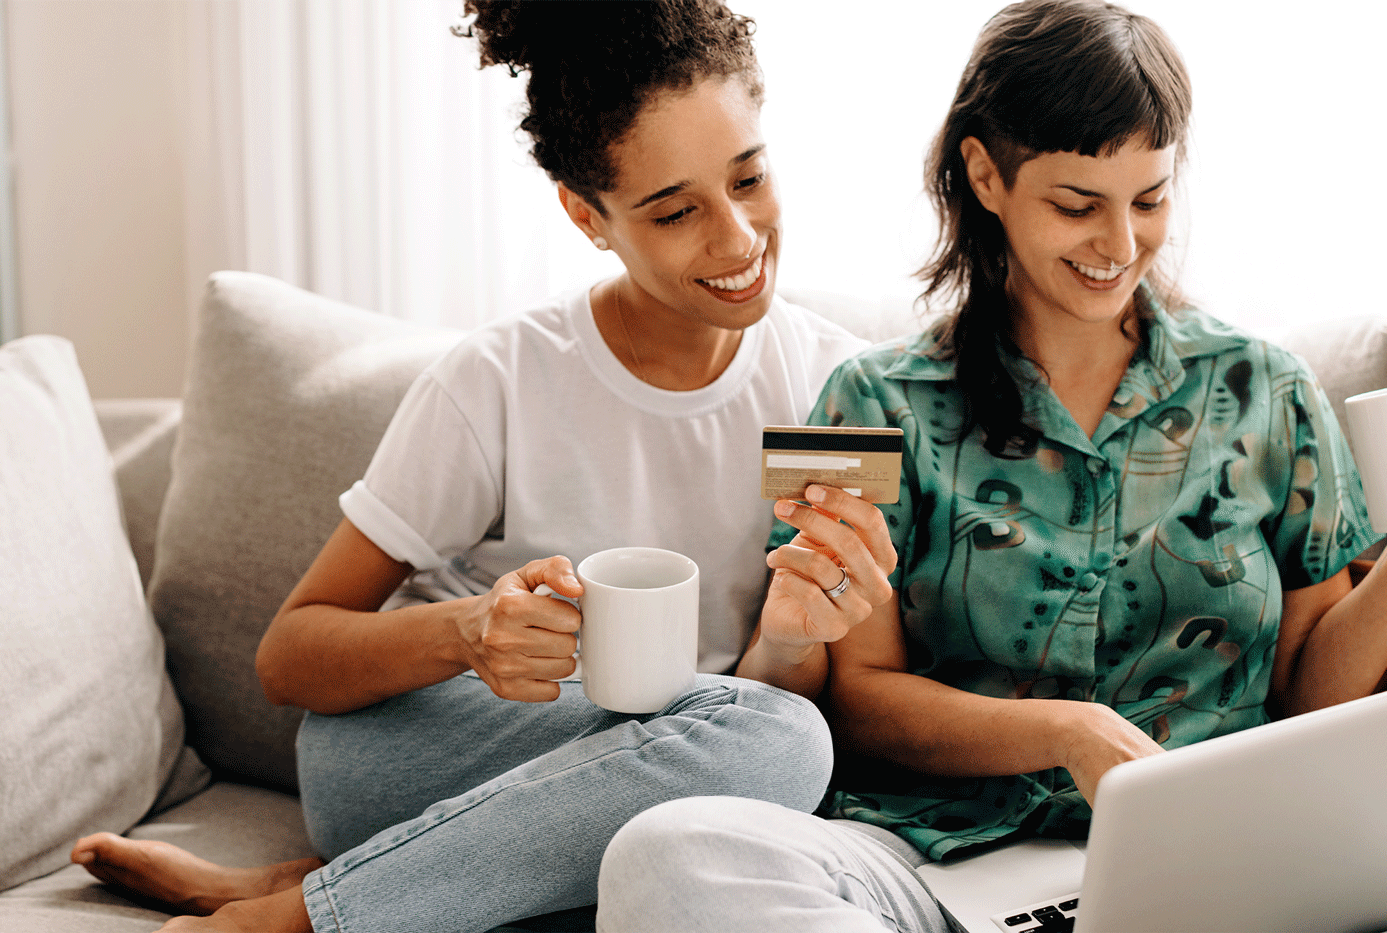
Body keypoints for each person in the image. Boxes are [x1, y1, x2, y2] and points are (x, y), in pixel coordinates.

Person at [593, 2, 1387, 930]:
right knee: (668, 851)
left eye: (1151, 199)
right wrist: (1066, 729)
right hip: (931, 859)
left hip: (1213, 864)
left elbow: (1311, 697)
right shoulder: (868, 401)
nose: (1121, 244)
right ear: (985, 174)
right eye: (1077, 204)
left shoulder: (1268, 388)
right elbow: (859, 702)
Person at [67, 2, 897, 931]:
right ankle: (300, 920)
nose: (739, 238)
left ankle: (325, 887)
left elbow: (763, 719)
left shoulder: (832, 388)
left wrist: (787, 642)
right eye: (675, 211)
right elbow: (289, 658)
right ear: (588, 215)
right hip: (421, 749)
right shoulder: (499, 376)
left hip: (672, 777)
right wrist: (469, 632)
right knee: (769, 749)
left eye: (749, 177)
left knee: (775, 750)